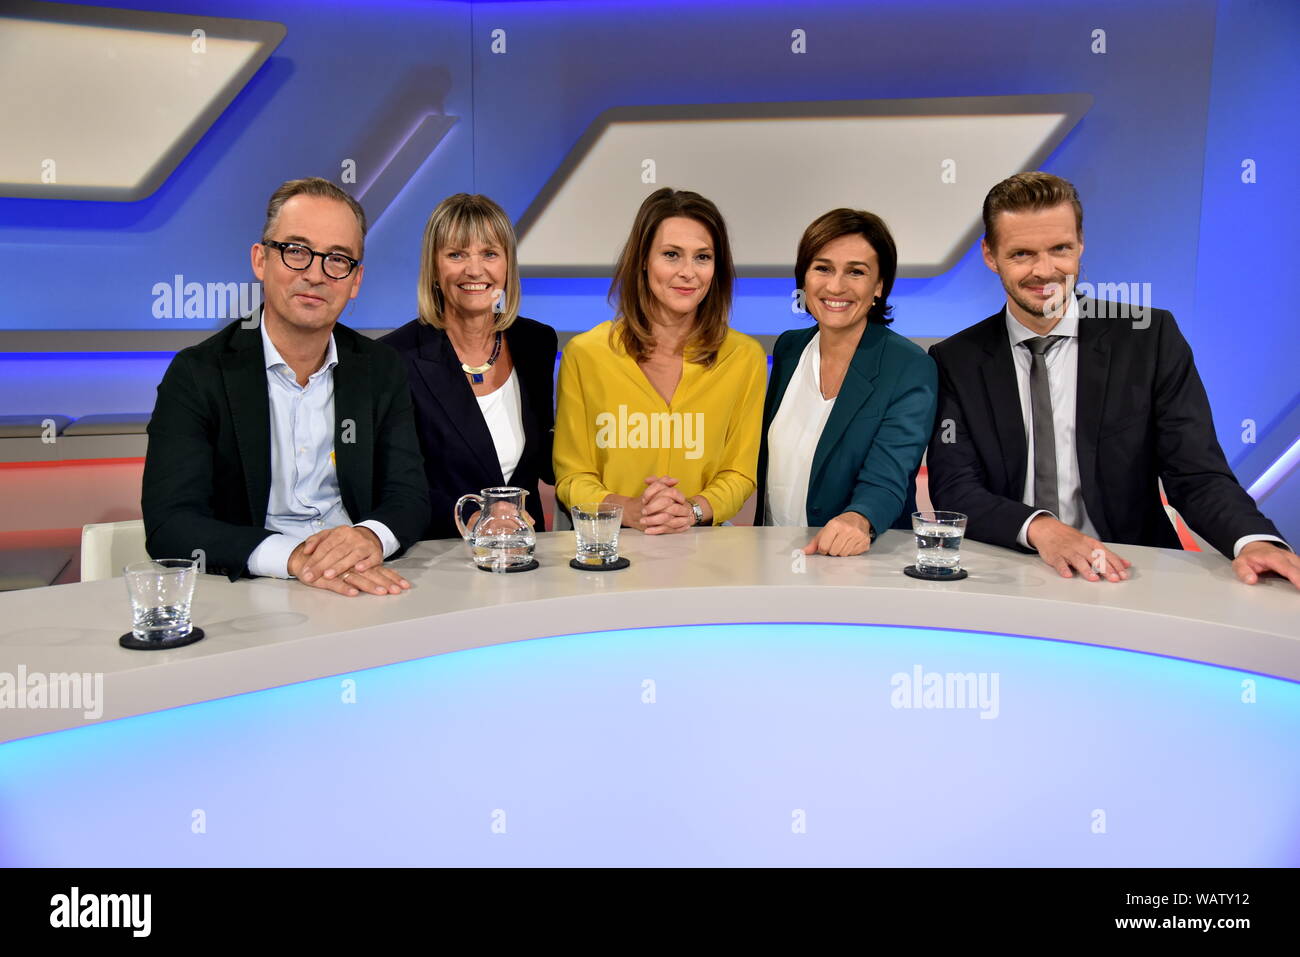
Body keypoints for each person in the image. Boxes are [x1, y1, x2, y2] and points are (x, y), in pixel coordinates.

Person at [926, 171, 1297, 588]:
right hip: (1007, 570)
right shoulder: (954, 360)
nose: (1045, 271)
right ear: (990, 255)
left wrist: (1252, 540)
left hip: (1131, 571)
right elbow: (956, 489)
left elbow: (1196, 473)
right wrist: (1042, 529)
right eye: (1022, 254)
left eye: (1061, 249)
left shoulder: (1149, 338)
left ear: (1081, 243)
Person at [142, 177, 430, 596]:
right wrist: (294, 558)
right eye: (296, 251)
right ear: (260, 260)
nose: (315, 274)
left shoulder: (381, 368)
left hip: (365, 579)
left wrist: (368, 537)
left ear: (356, 280)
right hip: (250, 587)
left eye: (337, 259)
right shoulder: (197, 373)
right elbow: (171, 523)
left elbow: (409, 495)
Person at [553, 187, 766, 532]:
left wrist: (692, 511)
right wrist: (629, 510)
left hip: (702, 552)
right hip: (609, 549)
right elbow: (573, 475)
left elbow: (739, 473)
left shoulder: (744, 358)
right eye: (671, 255)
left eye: (702, 257)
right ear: (642, 260)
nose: (688, 272)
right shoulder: (585, 354)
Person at [754, 209, 937, 556]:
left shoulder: (909, 366)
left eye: (856, 272)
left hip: (858, 563)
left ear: (879, 285)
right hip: (773, 558)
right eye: (822, 268)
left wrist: (859, 518)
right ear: (804, 278)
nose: (836, 286)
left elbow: (890, 475)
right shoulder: (789, 348)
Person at [381, 194, 557, 539]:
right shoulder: (394, 358)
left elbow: (548, 459)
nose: (475, 270)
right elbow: (393, 485)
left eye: (490, 254)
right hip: (439, 557)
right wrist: (473, 519)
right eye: (456, 254)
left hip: (528, 555)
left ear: (507, 265)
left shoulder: (536, 342)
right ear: (434, 266)